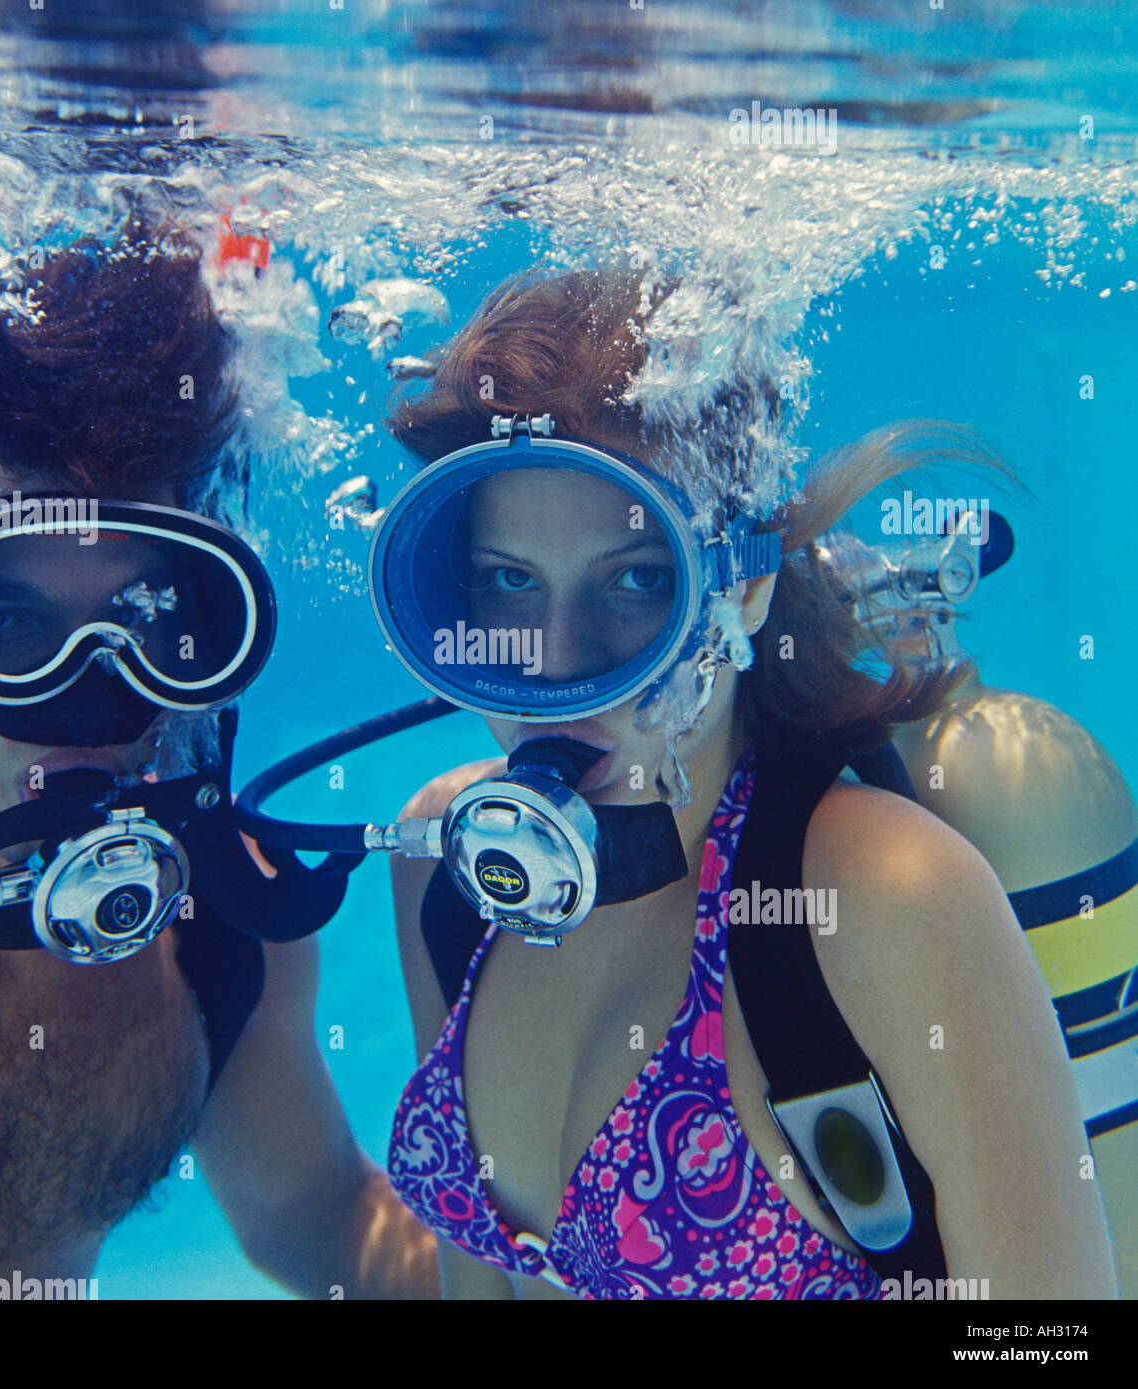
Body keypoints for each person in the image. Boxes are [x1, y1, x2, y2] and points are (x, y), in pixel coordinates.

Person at [379, 268, 1119, 1299]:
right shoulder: (452, 874)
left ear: (746, 583)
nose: (557, 667)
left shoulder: (880, 895)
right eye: (508, 580)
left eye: (638, 579)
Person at [0, 229, 437, 1299]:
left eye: (150, 614)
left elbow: (318, 1220)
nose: (95, 694)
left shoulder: (211, 922)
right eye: (1, 617)